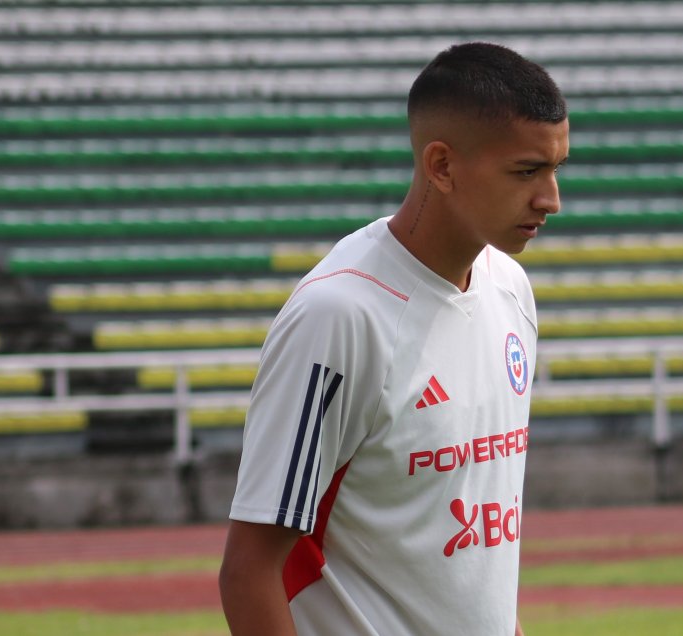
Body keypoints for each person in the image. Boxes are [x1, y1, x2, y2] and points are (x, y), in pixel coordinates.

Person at [219, 41, 569, 636]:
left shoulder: (509, 290)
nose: (551, 199)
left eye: (555, 169)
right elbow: (250, 571)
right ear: (441, 166)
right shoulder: (340, 316)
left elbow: (475, 551)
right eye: (526, 171)